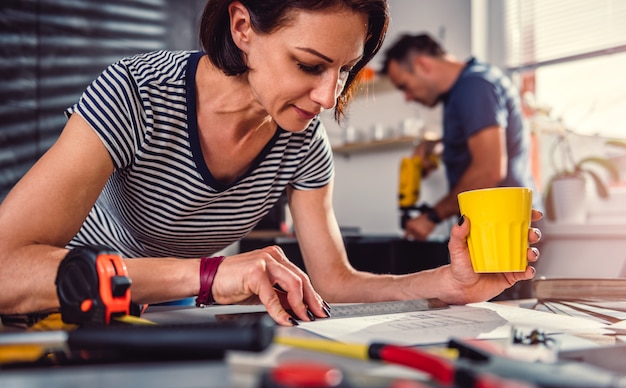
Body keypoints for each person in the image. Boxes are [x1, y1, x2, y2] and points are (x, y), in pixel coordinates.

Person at [0, 0, 542, 327]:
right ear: (242, 27)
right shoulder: (136, 94)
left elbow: (333, 280)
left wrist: (445, 282)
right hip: (59, 313)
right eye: (310, 65)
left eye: (345, 72)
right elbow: (6, 270)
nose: (329, 97)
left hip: (164, 317)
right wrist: (211, 274)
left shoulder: (300, 143)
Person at [380, 33, 542, 241]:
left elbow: (489, 170)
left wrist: (431, 216)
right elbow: (477, 143)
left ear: (422, 64)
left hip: (503, 227)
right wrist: (435, 147)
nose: (407, 98)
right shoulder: (467, 87)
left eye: (404, 86)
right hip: (499, 223)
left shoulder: (474, 87)